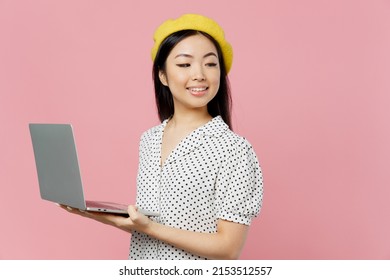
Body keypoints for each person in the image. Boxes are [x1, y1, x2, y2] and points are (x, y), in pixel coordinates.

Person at [61, 14, 263, 260]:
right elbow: (151, 225)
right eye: (184, 64)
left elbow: (228, 248)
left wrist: (148, 227)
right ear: (163, 75)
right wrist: (107, 217)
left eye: (210, 64)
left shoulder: (234, 150)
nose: (200, 74)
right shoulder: (149, 139)